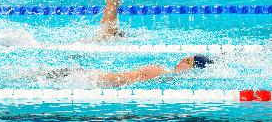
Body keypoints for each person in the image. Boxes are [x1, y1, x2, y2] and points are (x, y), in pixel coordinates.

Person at [39, 55, 213, 87]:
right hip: (90, 79)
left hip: (89, 78)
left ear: (192, 70)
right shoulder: (162, 74)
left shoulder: (159, 71)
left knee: (38, 76)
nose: (181, 60)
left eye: (187, 61)